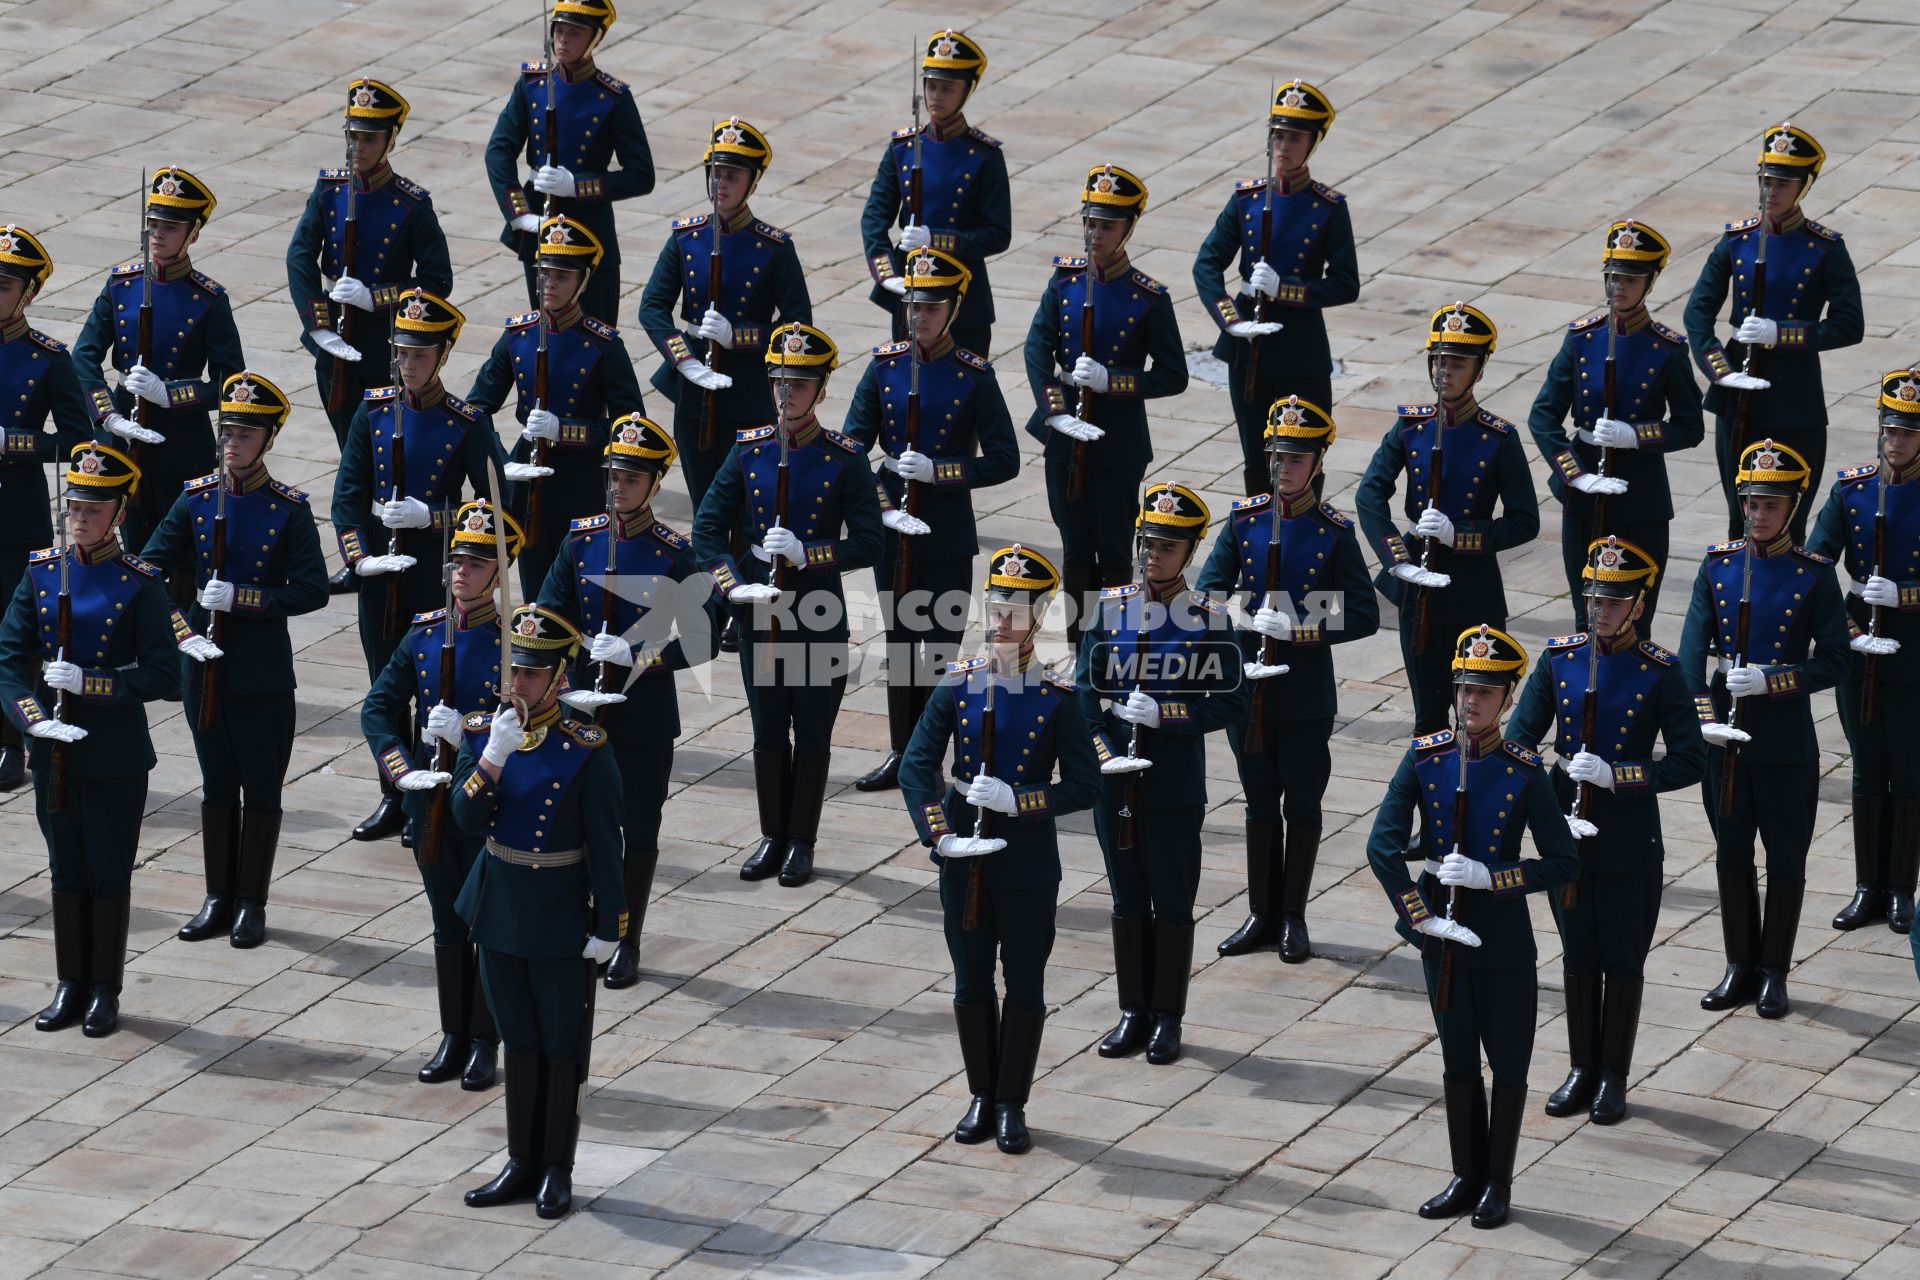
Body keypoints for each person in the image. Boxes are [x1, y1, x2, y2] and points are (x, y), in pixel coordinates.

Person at [1364, 625, 1578, 1230]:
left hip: (1502, 936)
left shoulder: (1524, 770)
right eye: (1464, 689)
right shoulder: (1425, 756)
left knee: (1508, 1063)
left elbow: (1564, 862)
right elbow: (1381, 846)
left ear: (1508, 699)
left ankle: (1497, 1183)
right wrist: (1421, 917)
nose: (1471, 702)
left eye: (1486, 692)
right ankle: (1465, 1174)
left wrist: (1495, 877)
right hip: (1442, 935)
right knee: (1458, 1058)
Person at [899, 545, 1100, 1154]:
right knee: (969, 981)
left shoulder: (1058, 699)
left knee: (1026, 982)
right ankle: (980, 1093)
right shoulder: (958, 687)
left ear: (1039, 616)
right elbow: (915, 768)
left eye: (1015, 609)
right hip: (964, 853)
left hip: (1026, 861)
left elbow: (1087, 786)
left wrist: (1023, 800)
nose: (1001, 621)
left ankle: (1012, 1102)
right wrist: (940, 835)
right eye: (995, 606)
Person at [1508, 538, 1705, 1125]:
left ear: (1638, 606)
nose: (1600, 610)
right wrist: (1549, 801)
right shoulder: (1559, 660)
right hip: (1570, 836)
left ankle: (1612, 1075)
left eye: (1614, 602)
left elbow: (1689, 760)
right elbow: (1520, 743)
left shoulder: (1662, 672)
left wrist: (1621, 776)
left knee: (1622, 959)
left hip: (1628, 841)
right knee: (1576, 956)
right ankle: (1579, 1068)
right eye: (1594, 598)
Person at [691, 324, 884, 887]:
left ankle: (802, 840)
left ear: (821, 391)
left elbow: (870, 542)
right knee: (768, 729)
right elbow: (707, 529)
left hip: (816, 615)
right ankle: (771, 834)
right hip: (761, 613)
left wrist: (810, 553)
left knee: (814, 731)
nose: (785, 394)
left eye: (799, 384)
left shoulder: (845, 459)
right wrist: (732, 586)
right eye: (779, 382)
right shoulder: (749, 450)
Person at [141, 373, 328, 949]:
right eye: (228, 433)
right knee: (217, 786)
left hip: (262, 674)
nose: (232, 444)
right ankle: (217, 895)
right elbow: (148, 570)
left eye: (245, 435)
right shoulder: (196, 499)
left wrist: (247, 599)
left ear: (267, 441)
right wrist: (182, 628)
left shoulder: (288, 510)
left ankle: (252, 901)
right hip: (206, 670)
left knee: (262, 790)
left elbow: (313, 589)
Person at [0, 444, 180, 1037]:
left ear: (119, 514)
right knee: (64, 869)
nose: (81, 518)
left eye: (94, 509)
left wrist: (95, 683)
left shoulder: (141, 584)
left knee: (107, 871)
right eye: (75, 506)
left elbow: (165, 674)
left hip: (113, 754)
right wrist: (31, 719)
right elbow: (7, 658)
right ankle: (68, 982)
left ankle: (104, 988)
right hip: (54, 751)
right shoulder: (42, 572)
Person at [537, 415, 721, 988]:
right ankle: (585, 928)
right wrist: (574, 649)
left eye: (631, 479)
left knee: (638, 829)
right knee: (580, 826)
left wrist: (644, 658)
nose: (618, 488)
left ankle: (626, 938)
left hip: (641, 716)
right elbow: (547, 613)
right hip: (582, 710)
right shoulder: (581, 539)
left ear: (655, 485)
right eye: (614, 476)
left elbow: (708, 633)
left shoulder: (673, 553)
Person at [453, 605, 624, 1220]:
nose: (517, 683)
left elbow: (608, 845)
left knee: (561, 1045)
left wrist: (612, 926)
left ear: (558, 680)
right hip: (499, 907)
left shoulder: (586, 749)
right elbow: (466, 820)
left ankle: (556, 1166)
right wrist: (490, 761)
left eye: (531, 674)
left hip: (557, 913)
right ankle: (520, 1160)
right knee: (519, 1040)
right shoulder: (484, 732)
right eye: (513, 671)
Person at [1197, 396, 1378, 963]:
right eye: (1277, 457)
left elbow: (1364, 613)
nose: (1283, 469)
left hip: (1302, 692)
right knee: (1257, 804)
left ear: (1317, 464)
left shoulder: (1334, 532)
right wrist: (1239, 615)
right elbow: (1206, 590)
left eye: (1295, 460)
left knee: (1300, 803)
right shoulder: (1245, 520)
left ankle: (1293, 915)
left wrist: (1302, 626)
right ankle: (1260, 912)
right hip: (1249, 687)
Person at [1079, 483, 1247, 1067]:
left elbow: (1231, 700)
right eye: (1148, 543)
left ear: (1190, 551)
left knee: (1171, 901)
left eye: (1167, 547)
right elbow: (1084, 689)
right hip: (1115, 781)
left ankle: (1168, 1015)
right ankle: (1133, 1010)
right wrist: (1103, 749)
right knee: (1127, 899)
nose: (1154, 555)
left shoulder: (1207, 619)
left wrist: (1169, 714)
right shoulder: (1110, 607)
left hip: (1173, 783)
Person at [1679, 440, 1848, 1019]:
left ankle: (1774, 968)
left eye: (1769, 505)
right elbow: (1688, 657)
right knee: (1730, 856)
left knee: (1786, 859)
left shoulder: (1813, 576)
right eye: (1751, 502)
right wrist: (1707, 718)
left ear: (1792, 509)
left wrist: (1776, 680)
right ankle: (1738, 964)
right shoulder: (1718, 566)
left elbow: (1834, 660)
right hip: (1725, 742)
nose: (1757, 514)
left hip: (1783, 745)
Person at [332, 289, 508, 844]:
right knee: (385, 685)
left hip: (438, 572)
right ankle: (396, 793)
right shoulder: (374, 410)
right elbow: (347, 498)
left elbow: (500, 509)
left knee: (438, 690)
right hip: (382, 580)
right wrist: (362, 559)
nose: (409, 365)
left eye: (420, 355)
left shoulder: (465, 422)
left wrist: (434, 517)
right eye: (402, 353)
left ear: (442, 356)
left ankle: (439, 791)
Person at [843, 246, 1017, 792]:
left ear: (953, 311)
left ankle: (930, 756)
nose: (918, 317)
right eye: (912, 306)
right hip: (895, 535)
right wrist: (884, 505)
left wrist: (942, 470)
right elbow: (851, 450)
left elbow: (1005, 458)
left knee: (938, 651)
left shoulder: (973, 376)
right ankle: (901, 752)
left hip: (944, 534)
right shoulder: (883, 367)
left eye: (930, 308)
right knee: (898, 646)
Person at [363, 499, 522, 1090]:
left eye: (477, 565)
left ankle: (485, 1039)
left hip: (486, 805)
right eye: (457, 560)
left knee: (483, 923)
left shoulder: (516, 643)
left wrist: (474, 731)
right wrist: (403, 771)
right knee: (445, 924)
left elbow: (530, 720)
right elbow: (379, 708)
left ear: (499, 575)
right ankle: (453, 1033)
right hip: (431, 801)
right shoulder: (426, 635)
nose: (462, 572)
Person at [1024, 166, 1188, 654]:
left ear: (1128, 228)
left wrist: (1113, 381)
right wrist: (1056, 408)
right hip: (1064, 438)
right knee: (1074, 552)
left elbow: (1173, 374)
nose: (1096, 234)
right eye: (1091, 223)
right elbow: (1037, 347)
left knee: (1115, 554)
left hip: (1116, 442)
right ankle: (1079, 654)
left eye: (1108, 226)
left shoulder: (1148, 298)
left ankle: (1114, 649)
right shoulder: (1066, 282)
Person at [1357, 303, 1539, 733]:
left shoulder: (1499, 439)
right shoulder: (1410, 427)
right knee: (1428, 719)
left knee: (1475, 719)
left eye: (1457, 364)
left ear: (1478, 370)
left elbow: (1524, 520)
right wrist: (1396, 556)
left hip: (1472, 591)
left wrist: (1462, 536)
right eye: (1438, 361)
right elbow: (1369, 494)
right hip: (1418, 589)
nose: (1444, 372)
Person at [1684, 122, 1863, 542]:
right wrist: (1721, 371)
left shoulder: (1825, 248)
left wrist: (1783, 334)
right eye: (1766, 180)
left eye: (1782, 182)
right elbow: (1698, 314)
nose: (1771, 191)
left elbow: (1849, 324)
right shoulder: (1737, 241)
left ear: (1803, 185)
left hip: (1794, 394)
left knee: (1789, 515)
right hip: (1739, 392)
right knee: (1740, 513)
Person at [1526, 219, 1703, 632]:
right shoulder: (1582, 340)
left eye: (1629, 278)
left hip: (1640, 496)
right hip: (1585, 494)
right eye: (1612, 277)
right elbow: (1543, 414)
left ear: (1650, 282)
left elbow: (1690, 427)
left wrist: (1636, 435)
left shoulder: (1667, 348)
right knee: (1584, 615)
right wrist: (1575, 474)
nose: (1618, 287)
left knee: (1635, 619)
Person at [637, 116, 809, 534]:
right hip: (695, 388)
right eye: (715, 173)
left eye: (732, 175)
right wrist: (683, 359)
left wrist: (741, 337)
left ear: (752, 182)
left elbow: (798, 327)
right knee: (705, 510)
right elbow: (652, 307)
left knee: (749, 512)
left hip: (749, 390)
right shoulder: (687, 238)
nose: (721, 184)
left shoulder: (775, 248)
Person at [72, 167, 245, 581]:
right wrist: (107, 414)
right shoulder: (121, 286)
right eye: (153, 225)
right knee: (121, 548)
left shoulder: (208, 299)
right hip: (122, 441)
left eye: (170, 227)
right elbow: (83, 357)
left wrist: (171, 395)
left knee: (182, 557)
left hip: (179, 442)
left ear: (193, 234)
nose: (158, 235)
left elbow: (231, 382)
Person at [1191, 79, 1359, 496]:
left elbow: (1345, 283)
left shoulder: (1328, 209)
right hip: (1249, 346)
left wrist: (1288, 290)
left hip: (1299, 347)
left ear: (1313, 143)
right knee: (1256, 455)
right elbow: (1207, 264)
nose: (1283, 147)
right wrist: (1231, 319)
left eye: (1295, 138)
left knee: (1304, 451)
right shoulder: (1246, 200)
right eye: (1278, 136)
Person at [466, 214, 644, 599]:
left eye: (561, 276)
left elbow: (631, 428)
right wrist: (500, 460)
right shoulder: (518, 336)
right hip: (527, 481)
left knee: (579, 592)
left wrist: (565, 430)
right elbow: (475, 411)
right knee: (532, 592)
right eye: (543, 273)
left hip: (580, 483)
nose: (548, 283)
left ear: (581, 282)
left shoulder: (602, 345)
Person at [285, 78, 453, 473]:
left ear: (390, 140)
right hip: (334, 343)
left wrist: (375, 297)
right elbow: (299, 255)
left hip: (385, 342)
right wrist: (318, 326)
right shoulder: (329, 190)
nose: (357, 148)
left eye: (369, 139)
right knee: (350, 449)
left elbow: (437, 280)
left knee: (385, 452)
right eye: (352, 137)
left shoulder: (412, 204)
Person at [1806, 368, 1920, 935]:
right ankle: (1866, 886)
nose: (1894, 440)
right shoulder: (1852, 490)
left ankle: (1901, 887)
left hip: (1914, 650)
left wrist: (1908, 595)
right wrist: (1847, 631)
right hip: (1860, 648)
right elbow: (1816, 563)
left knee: (1908, 769)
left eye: (1907, 431)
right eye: (1889, 429)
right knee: (1867, 769)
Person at [485, 0, 653, 326]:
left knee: (597, 330)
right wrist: (518, 212)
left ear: (594, 39)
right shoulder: (532, 85)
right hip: (540, 218)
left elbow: (641, 175)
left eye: (574, 34)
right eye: (559, 31)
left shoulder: (612, 98)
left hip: (590, 224)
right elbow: (499, 150)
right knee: (546, 328)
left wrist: (578, 186)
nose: (562, 41)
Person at [0, 226, 91, 790]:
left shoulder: (48, 359)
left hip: (15, 515)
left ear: (27, 294)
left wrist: (13, 442)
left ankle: (11, 741)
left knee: (13, 634)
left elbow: (79, 443)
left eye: (5, 284)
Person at [859, 28, 1009, 358]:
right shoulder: (903, 147)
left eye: (947, 88)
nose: (936, 96)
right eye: (931, 85)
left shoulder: (985, 156)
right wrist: (887, 273)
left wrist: (936, 239)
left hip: (963, 291)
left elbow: (997, 234)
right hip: (912, 285)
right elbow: (874, 216)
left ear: (966, 90)